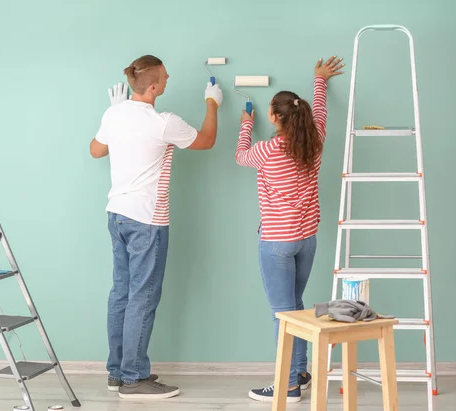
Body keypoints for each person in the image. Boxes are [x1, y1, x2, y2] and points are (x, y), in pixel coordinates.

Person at [90, 54, 224, 399]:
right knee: (142, 297)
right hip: (147, 219)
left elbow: (96, 150)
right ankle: (135, 378)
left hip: (116, 214)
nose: (168, 80)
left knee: (121, 293)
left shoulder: (114, 113)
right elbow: (206, 140)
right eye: (164, 78)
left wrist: (116, 116)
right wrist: (212, 104)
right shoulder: (163, 122)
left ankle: (117, 373)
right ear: (152, 87)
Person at [234, 56, 344, 403]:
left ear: (275, 117)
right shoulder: (316, 141)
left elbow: (240, 156)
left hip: (276, 243)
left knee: (282, 315)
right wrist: (319, 80)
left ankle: (289, 386)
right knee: (294, 307)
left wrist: (246, 125)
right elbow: (321, 113)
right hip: (307, 240)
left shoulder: (266, 150)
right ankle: (300, 372)